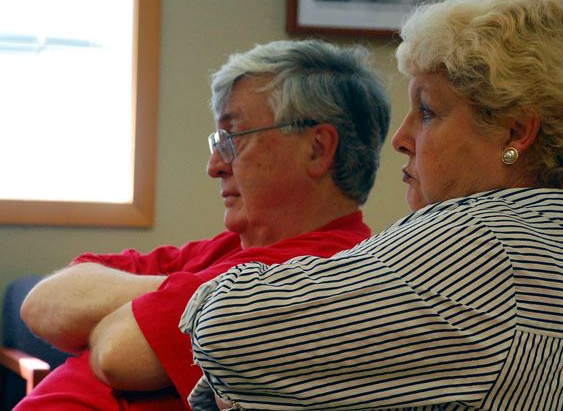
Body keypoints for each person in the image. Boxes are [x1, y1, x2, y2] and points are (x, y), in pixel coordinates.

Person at [180, 0, 563, 410]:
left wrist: (210, 310)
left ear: (516, 132)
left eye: (428, 111)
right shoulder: (549, 248)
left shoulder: (478, 244)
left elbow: (228, 329)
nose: (400, 137)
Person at [17, 39, 391, 410]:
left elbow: (117, 353)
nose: (214, 166)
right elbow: (42, 305)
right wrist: (183, 292)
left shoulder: (320, 275)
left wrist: (160, 298)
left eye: (233, 139)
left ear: (317, 148)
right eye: (218, 140)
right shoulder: (230, 248)